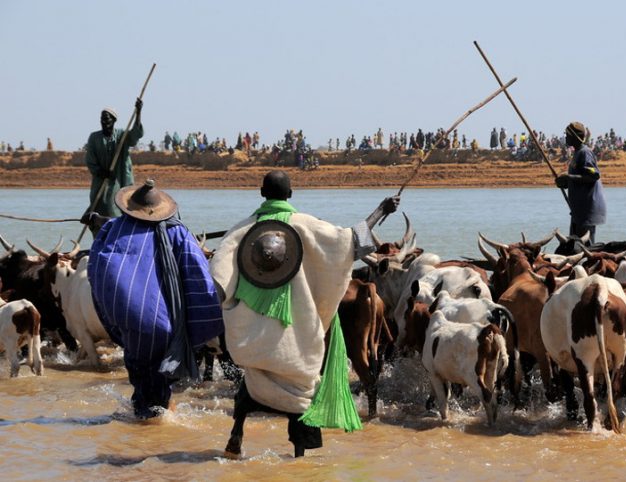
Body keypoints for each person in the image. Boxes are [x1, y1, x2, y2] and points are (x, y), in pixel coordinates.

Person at [209, 170, 399, 458]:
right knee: (301, 390)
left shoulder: (240, 231)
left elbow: (218, 280)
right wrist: (381, 210)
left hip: (254, 339)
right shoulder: (308, 226)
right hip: (295, 340)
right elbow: (349, 242)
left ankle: (236, 436)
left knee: (254, 380)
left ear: (262, 193)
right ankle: (299, 460)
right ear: (291, 195)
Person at [84, 179, 224, 420]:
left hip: (129, 320)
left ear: (130, 206)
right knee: (161, 381)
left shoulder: (112, 229)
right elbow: (198, 276)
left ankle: (143, 423)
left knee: (140, 376)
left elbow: (96, 272)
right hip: (166, 323)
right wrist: (198, 323)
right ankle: (157, 429)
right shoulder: (176, 231)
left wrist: (115, 315)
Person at [84, 100, 144, 232]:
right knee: (98, 210)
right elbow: (90, 161)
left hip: (119, 181)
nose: (104, 122)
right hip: (101, 183)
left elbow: (134, 136)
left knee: (117, 208)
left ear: (114, 120)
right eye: (102, 119)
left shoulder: (121, 136)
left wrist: (138, 112)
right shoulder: (94, 138)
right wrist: (101, 172)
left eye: (107, 119)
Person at [555, 121, 606, 244]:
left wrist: (570, 178)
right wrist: (566, 183)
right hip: (578, 210)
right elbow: (580, 178)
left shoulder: (585, 152)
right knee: (574, 245)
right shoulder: (577, 153)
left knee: (585, 246)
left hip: (586, 211)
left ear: (574, 137)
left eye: (568, 136)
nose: (566, 138)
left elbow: (593, 175)